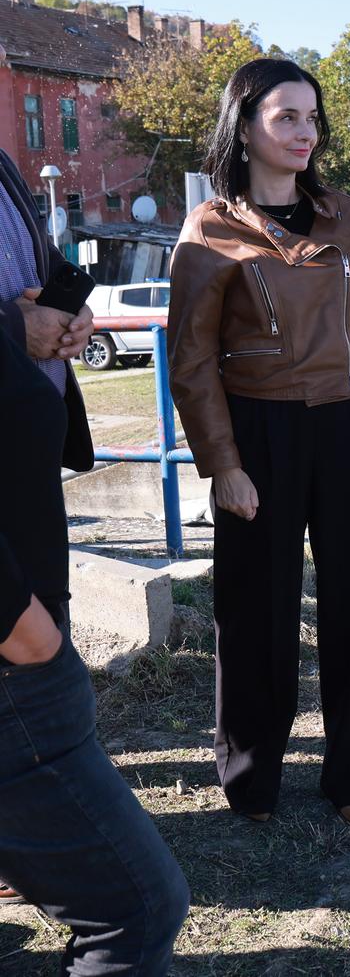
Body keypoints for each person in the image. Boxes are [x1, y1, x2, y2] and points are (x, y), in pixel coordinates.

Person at [167, 58, 350, 827]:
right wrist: (224, 464)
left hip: (346, 424)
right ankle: (251, 779)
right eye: (286, 117)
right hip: (258, 431)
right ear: (244, 127)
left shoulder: (348, 216)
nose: (305, 132)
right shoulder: (211, 228)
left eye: (312, 117)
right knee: (254, 611)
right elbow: (192, 359)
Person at [0, 146, 191, 972]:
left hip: (24, 476)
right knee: (137, 907)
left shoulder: (5, 166)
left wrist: (65, 310)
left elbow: (32, 268)